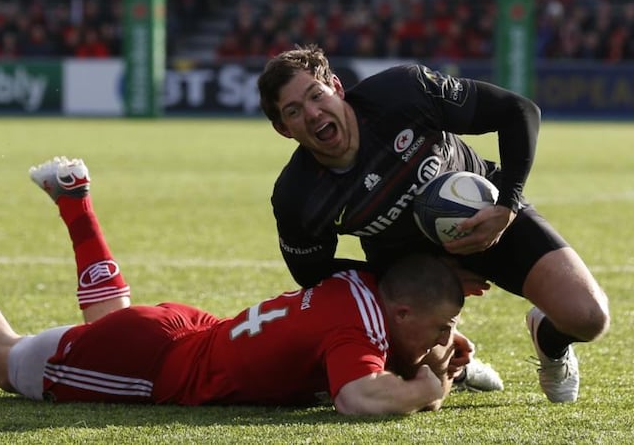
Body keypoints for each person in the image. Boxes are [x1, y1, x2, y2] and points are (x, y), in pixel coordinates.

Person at [0, 156, 467, 415]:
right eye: (441, 324)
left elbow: (376, 345)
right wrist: (427, 387)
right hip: (160, 364)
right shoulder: (356, 331)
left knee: (106, 327)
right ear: (403, 309)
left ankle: (77, 204)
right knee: (6, 358)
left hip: (183, 333)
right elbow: (358, 399)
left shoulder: (360, 284)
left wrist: (429, 351)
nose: (446, 334)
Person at [257, 44, 610, 402]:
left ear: (336, 85)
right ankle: (450, 365)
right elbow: (312, 272)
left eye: (317, 95)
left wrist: (506, 206)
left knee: (588, 317)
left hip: (486, 213)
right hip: (405, 260)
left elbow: (518, 111)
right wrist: (415, 280)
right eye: (294, 111)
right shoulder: (297, 196)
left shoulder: (402, 93)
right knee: (412, 378)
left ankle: (549, 339)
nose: (314, 113)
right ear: (283, 129)